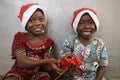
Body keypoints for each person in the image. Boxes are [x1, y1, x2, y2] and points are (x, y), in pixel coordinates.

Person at [4, 3, 60, 80]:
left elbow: (47, 68)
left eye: (41, 19)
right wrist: (47, 61)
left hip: (39, 74)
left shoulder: (48, 43)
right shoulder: (19, 37)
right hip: (19, 72)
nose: (38, 23)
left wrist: (58, 64)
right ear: (25, 23)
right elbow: (21, 62)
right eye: (31, 20)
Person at [59, 8, 108, 80]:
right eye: (81, 23)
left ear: (95, 25)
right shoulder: (70, 41)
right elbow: (63, 62)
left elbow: (102, 66)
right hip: (73, 78)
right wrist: (69, 58)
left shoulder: (100, 44)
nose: (86, 26)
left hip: (94, 78)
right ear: (76, 26)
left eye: (91, 23)